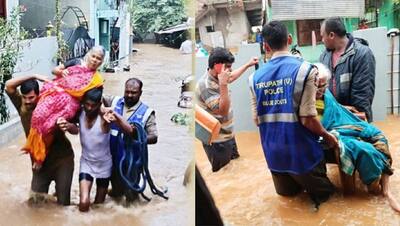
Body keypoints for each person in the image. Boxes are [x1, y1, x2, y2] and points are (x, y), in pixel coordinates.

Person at [249, 21, 338, 208]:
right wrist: (327, 136)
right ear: (289, 39)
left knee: (291, 203)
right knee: (328, 200)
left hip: (274, 157)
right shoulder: (306, 70)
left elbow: (257, 120)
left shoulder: (254, 78)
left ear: (265, 45)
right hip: (303, 155)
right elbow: (307, 119)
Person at [314, 63, 400, 212]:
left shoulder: (325, 93)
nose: (321, 90)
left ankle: (386, 189)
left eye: (324, 85)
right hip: (331, 134)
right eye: (318, 86)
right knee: (363, 149)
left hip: (345, 123)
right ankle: (374, 189)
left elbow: (335, 107)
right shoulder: (305, 101)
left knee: (378, 135)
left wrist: (347, 108)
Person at [23, 46, 106, 171]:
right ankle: (34, 148)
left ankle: (40, 157)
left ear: (102, 62)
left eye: (98, 59)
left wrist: (104, 110)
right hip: (55, 92)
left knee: (51, 125)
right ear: (88, 54)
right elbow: (55, 70)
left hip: (70, 104)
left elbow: (96, 99)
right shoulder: (76, 62)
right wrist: (60, 72)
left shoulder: (97, 80)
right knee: (38, 116)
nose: (95, 60)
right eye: (93, 56)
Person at [59, 87, 135, 212]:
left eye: (93, 106)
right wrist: (67, 126)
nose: (89, 108)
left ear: (99, 105)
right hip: (86, 163)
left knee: (99, 205)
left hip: (104, 166)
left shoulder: (105, 118)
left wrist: (114, 114)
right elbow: (76, 130)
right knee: (84, 203)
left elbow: (130, 131)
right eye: (87, 104)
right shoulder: (81, 113)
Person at [5, 75, 75, 206]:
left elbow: (76, 129)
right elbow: (9, 85)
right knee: (35, 204)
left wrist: (68, 125)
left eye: (31, 97)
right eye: (25, 97)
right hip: (39, 164)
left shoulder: (52, 105)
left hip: (62, 159)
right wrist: (34, 75)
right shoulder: (22, 105)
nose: (27, 101)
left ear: (39, 95)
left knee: (63, 205)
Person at [196, 47, 258, 172]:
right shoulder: (205, 85)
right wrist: (223, 84)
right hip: (217, 142)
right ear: (217, 65)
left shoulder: (217, 77)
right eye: (228, 66)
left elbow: (231, 77)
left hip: (227, 135)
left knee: (234, 170)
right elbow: (223, 111)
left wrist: (248, 65)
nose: (230, 70)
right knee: (223, 174)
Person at [103, 78, 160, 204]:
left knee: (131, 195)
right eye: (127, 91)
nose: (129, 95)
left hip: (132, 162)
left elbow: (154, 137)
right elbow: (95, 97)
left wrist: (137, 135)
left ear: (140, 93)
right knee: (116, 193)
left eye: (133, 93)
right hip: (112, 158)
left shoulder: (147, 113)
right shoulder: (114, 101)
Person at [319, 17, 376, 122]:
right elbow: (323, 92)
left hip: (354, 120)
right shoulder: (324, 56)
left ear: (331, 35)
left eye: (323, 36)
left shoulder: (362, 54)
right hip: (333, 119)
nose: (322, 40)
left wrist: (358, 123)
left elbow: (362, 96)